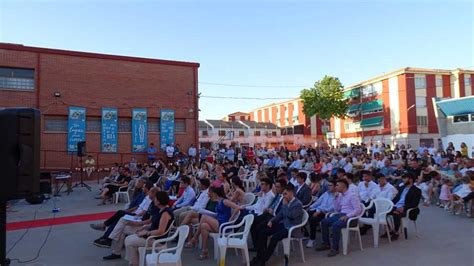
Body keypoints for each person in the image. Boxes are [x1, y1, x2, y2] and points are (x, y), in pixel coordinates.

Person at [251, 183, 304, 266]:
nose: (284, 196)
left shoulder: (298, 204)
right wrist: (272, 221)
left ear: (291, 192)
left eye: (285, 194)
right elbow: (280, 215)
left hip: (291, 228)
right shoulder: (286, 201)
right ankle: (259, 256)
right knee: (262, 232)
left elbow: (291, 216)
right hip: (283, 225)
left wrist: (285, 206)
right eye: (283, 194)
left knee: (274, 238)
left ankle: (264, 259)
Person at [101, 187, 160, 260]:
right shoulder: (152, 202)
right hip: (140, 220)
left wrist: (137, 223)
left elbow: (150, 221)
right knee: (123, 224)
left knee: (122, 220)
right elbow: (145, 214)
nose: (148, 193)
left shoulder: (156, 206)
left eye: (150, 192)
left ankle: (112, 239)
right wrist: (136, 218)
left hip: (143, 225)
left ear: (154, 194)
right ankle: (116, 252)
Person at [91, 179, 152, 247]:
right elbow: (138, 206)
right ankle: (106, 236)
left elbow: (142, 210)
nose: (137, 183)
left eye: (143, 186)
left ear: (147, 188)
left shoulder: (148, 198)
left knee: (119, 215)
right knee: (117, 220)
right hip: (134, 213)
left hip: (136, 215)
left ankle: (107, 234)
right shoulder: (143, 195)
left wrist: (132, 213)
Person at [186, 186, 240, 260]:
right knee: (204, 226)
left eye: (212, 193)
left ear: (215, 193)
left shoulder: (224, 201)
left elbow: (237, 207)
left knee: (204, 217)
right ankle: (204, 251)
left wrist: (231, 218)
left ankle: (194, 238)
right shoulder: (218, 202)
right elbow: (219, 214)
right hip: (218, 223)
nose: (211, 194)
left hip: (223, 225)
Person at [123, 191, 174, 266]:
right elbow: (153, 223)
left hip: (157, 240)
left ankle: (134, 263)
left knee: (129, 241)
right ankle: (134, 262)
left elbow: (161, 231)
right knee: (129, 238)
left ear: (159, 201)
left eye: (155, 199)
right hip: (152, 236)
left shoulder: (165, 213)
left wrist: (146, 232)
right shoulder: (160, 210)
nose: (154, 200)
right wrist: (143, 228)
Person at [316, 179, 362, 257]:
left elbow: (358, 209)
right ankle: (326, 243)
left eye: (337, 185)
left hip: (351, 218)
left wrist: (347, 216)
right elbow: (337, 209)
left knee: (335, 225)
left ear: (343, 186)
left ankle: (335, 248)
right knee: (324, 222)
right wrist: (336, 199)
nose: (336, 187)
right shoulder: (340, 195)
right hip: (341, 214)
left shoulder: (352, 195)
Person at [386, 173, 422, 240]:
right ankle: (390, 230)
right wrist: (389, 204)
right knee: (383, 211)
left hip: (407, 208)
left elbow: (415, 203)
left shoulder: (417, 190)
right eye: (403, 178)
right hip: (396, 206)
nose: (403, 180)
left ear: (410, 180)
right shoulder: (402, 188)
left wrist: (404, 207)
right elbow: (396, 198)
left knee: (396, 213)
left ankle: (396, 232)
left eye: (405, 178)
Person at [306, 180, 336, 248]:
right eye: (328, 185)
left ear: (334, 187)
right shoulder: (326, 193)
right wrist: (310, 207)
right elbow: (318, 202)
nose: (329, 187)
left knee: (313, 219)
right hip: (318, 209)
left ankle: (312, 238)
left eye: (331, 186)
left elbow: (333, 208)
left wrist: (321, 211)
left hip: (326, 212)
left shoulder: (336, 196)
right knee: (306, 214)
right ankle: (306, 233)